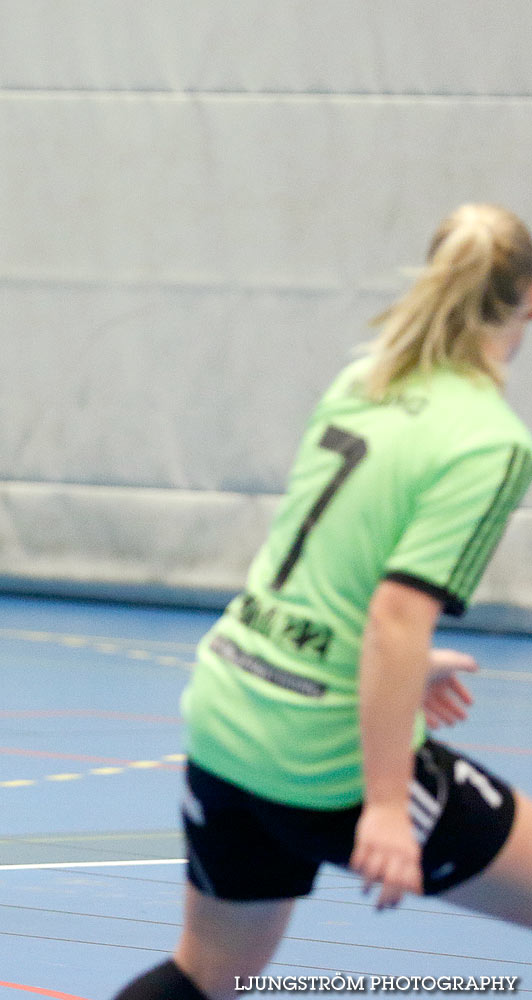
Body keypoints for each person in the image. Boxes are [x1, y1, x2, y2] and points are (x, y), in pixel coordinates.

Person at [115, 203, 532, 1000]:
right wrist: (383, 805)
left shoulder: (365, 380)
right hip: (322, 754)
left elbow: (328, 572)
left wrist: (412, 668)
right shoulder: (490, 439)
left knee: (205, 975)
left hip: (231, 702)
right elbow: (395, 616)